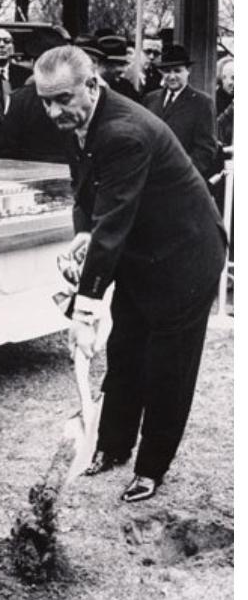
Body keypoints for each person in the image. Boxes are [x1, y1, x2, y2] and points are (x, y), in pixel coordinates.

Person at [34, 45, 226, 503]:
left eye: (62, 98)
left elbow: (114, 222)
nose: (53, 110)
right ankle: (112, 448)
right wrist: (83, 238)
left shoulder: (124, 132)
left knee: (168, 369)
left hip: (186, 257)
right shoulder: (76, 121)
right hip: (144, 253)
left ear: (92, 85)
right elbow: (87, 195)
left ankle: (151, 467)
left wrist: (84, 311)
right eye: (45, 100)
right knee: (124, 354)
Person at [143, 45, 219, 179]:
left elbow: (206, 150)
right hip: (150, 180)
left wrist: (181, 174)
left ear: (188, 71)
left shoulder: (202, 103)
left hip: (182, 183)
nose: (172, 76)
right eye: (167, 71)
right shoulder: (150, 99)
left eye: (177, 71)